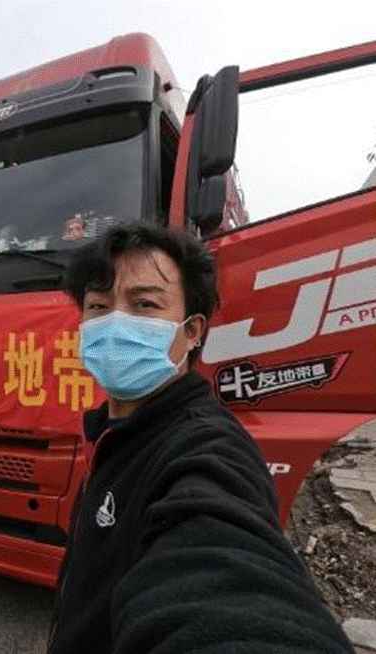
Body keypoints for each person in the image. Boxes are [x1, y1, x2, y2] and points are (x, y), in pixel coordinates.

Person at [47, 222, 353, 654]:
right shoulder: (113, 434)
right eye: (98, 306)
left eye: (144, 304)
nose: (115, 322)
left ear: (192, 331)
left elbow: (226, 580)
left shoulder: (206, 446)